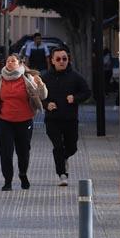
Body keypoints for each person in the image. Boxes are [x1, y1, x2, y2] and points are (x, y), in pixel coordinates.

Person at [0, 53, 47, 191]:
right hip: (4, 121)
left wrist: (40, 84)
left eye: (13, 61)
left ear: (19, 64)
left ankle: (23, 174)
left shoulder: (27, 78)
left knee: (23, 152)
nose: (9, 63)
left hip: (24, 121)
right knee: (5, 153)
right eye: (7, 61)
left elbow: (43, 96)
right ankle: (7, 181)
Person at [41, 47, 91, 186]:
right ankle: (62, 174)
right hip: (52, 119)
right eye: (58, 59)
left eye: (64, 59)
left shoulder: (75, 76)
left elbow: (87, 92)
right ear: (52, 61)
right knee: (58, 147)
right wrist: (46, 104)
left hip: (70, 119)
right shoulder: (45, 78)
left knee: (72, 147)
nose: (61, 61)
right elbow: (37, 96)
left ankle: (63, 159)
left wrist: (75, 98)